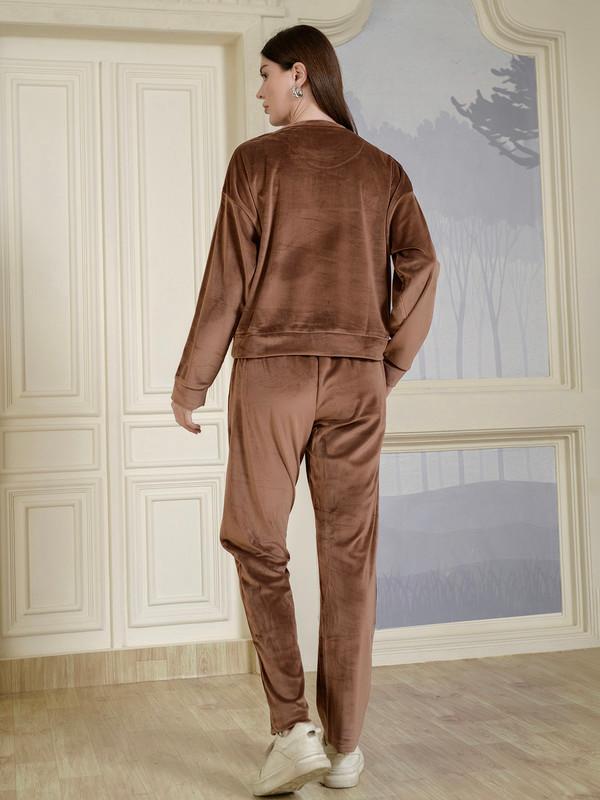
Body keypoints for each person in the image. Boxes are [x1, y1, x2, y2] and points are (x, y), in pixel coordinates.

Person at [171, 23, 440, 797]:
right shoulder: (384, 170)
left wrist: (191, 382)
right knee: (349, 556)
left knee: (256, 539)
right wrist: (389, 359)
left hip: (274, 373)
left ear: (299, 73)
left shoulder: (256, 162)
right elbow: (422, 263)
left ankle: (293, 729)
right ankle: (346, 747)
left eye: (265, 75)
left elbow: (227, 281)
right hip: (357, 378)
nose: (258, 91)